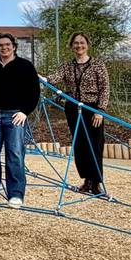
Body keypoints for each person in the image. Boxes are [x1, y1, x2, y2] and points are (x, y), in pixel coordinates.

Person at [0, 33, 41, 208]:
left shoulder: (25, 66)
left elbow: (34, 92)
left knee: (15, 154)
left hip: (14, 115)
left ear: (14, 46)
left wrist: (25, 112)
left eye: (7, 45)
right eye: (0, 45)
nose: (4, 48)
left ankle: (16, 194)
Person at [43, 32, 111, 195]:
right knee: (80, 145)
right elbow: (54, 78)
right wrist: (38, 77)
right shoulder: (68, 66)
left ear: (87, 45)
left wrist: (100, 110)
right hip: (73, 109)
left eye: (82, 42)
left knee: (95, 144)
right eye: (75, 43)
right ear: (72, 46)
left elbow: (105, 88)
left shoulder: (97, 65)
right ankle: (86, 180)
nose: (79, 46)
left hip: (92, 108)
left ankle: (96, 182)